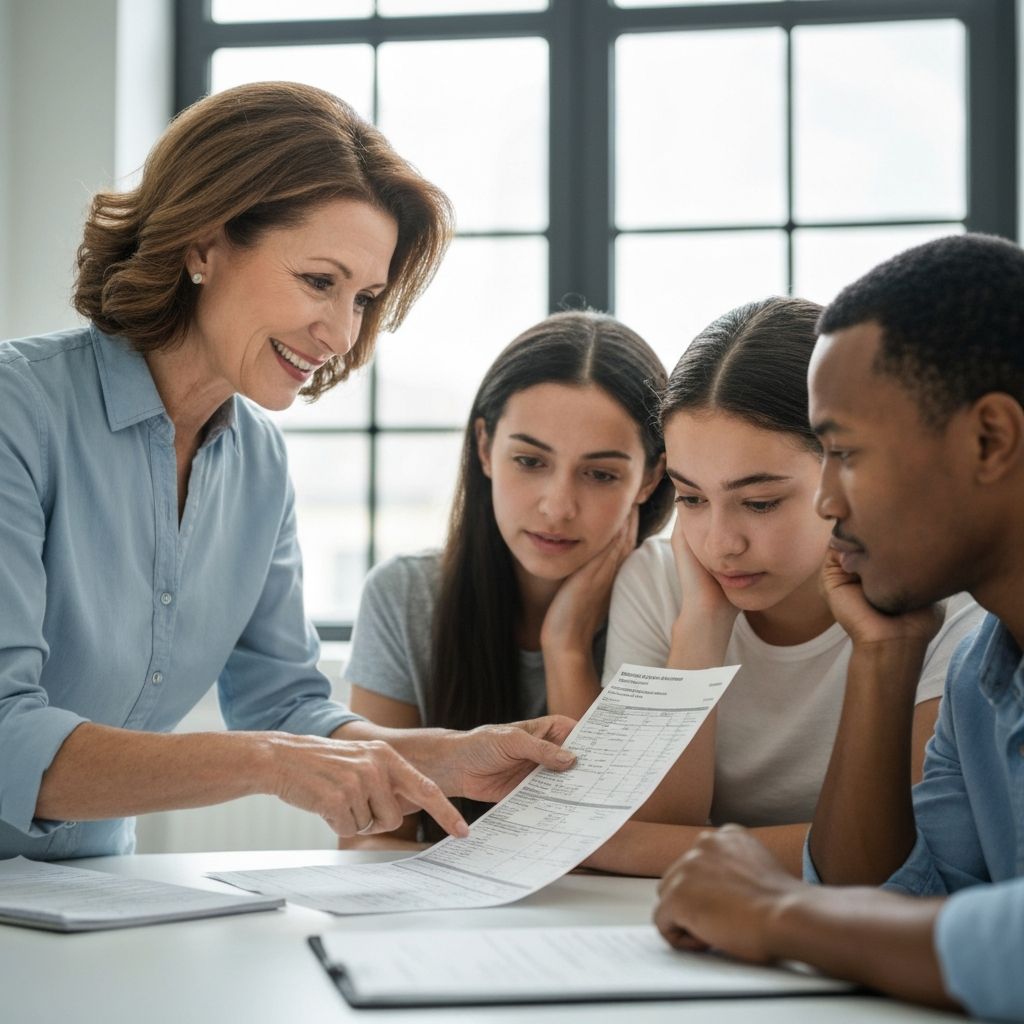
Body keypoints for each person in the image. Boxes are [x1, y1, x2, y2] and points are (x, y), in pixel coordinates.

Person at [0, 81, 579, 863]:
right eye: (319, 281)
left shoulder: (257, 463)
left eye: (365, 298)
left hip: (89, 897)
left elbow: (284, 703)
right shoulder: (19, 411)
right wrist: (271, 765)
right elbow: (6, 737)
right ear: (203, 243)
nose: (342, 333)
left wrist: (447, 755)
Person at [653, 233, 1024, 1021]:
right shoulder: (976, 676)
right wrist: (885, 656)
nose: (826, 502)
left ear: (991, 439)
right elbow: (883, 905)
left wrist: (774, 913)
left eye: (846, 453)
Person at [582, 296, 980, 878]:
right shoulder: (659, 583)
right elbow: (660, 815)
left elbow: (906, 851)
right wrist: (703, 624)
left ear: (851, 471)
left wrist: (618, 847)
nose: (720, 543)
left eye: (760, 502)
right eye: (692, 498)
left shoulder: (949, 606)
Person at [344, 310, 674, 845]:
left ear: (650, 478)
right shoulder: (405, 595)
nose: (558, 507)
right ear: (484, 448)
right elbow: (370, 841)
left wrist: (565, 643)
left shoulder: (668, 604)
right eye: (530, 460)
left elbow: (597, 831)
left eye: (600, 474)